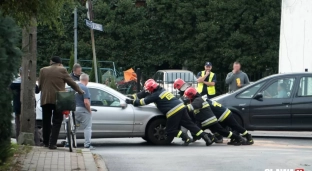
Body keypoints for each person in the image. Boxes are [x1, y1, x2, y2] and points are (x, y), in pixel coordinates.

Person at [125, 79, 213, 146]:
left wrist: (131, 102)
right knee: (190, 125)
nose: (147, 91)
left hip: (173, 112)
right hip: (181, 107)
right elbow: (142, 94)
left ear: (151, 89)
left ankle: (185, 137)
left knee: (170, 130)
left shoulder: (155, 95)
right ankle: (206, 137)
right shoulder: (161, 90)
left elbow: (142, 102)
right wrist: (132, 97)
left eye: (148, 89)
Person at [38, 56, 84, 149]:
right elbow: (72, 82)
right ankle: (52, 143)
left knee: (46, 121)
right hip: (58, 99)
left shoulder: (43, 70)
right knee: (57, 121)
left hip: (45, 99)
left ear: (51, 62)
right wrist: (80, 91)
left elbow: (40, 86)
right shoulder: (62, 70)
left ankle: (45, 142)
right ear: (59, 63)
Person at [10, 67, 40, 142]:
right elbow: (37, 90)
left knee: (18, 125)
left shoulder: (14, 83)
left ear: (19, 73)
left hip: (18, 107)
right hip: (30, 106)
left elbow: (10, 90)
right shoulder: (31, 82)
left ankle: (19, 141)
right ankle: (36, 142)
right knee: (33, 125)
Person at [74, 74, 94, 149]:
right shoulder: (84, 88)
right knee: (87, 127)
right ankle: (87, 144)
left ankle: (68, 142)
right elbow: (86, 102)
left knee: (74, 127)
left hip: (74, 110)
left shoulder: (74, 87)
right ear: (87, 80)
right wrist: (89, 111)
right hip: (83, 110)